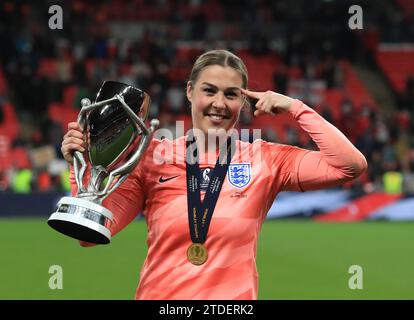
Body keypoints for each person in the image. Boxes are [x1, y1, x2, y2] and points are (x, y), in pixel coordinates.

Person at [61, 49, 367, 300]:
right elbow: (90, 236)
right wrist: (84, 170)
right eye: (209, 91)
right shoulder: (151, 156)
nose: (219, 104)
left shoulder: (266, 159)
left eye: (231, 94)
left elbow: (349, 165)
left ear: (243, 102)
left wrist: (295, 106)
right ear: (190, 91)